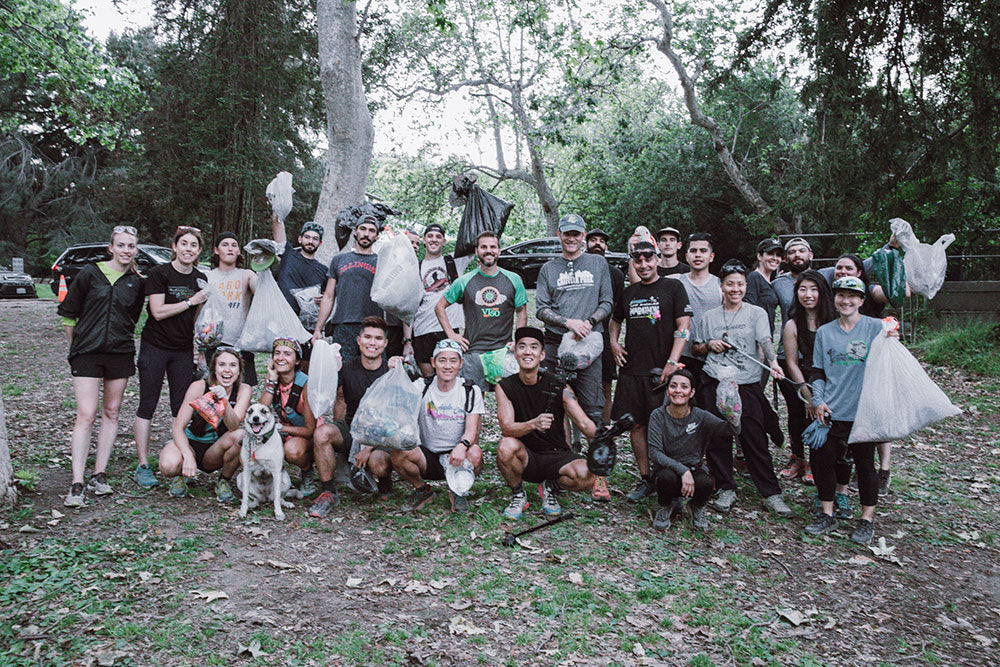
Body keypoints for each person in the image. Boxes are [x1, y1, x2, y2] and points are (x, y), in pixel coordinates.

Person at [805, 276, 900, 544]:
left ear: (861, 300)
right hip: (832, 410)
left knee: (864, 465)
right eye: (840, 295)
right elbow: (818, 371)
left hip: (863, 412)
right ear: (834, 300)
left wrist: (893, 332)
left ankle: (866, 519)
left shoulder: (872, 327)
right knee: (822, 462)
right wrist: (818, 400)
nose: (846, 301)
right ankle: (827, 513)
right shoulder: (825, 332)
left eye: (852, 296)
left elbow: (892, 333)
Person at [694, 260, 793, 517]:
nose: (735, 289)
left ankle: (771, 493)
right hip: (715, 382)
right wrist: (709, 344)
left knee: (754, 438)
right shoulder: (708, 317)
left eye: (740, 284)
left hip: (746, 384)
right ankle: (726, 488)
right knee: (718, 437)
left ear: (745, 286)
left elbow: (764, 340)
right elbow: (697, 347)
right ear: (721, 286)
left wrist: (772, 363)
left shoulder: (755, 313)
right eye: (730, 284)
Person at [58, 226, 146, 506]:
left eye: (131, 246)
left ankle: (100, 474)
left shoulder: (136, 281)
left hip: (119, 352)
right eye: (121, 245)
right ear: (111, 247)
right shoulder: (89, 273)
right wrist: (76, 346)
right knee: (86, 413)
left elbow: (132, 317)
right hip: (87, 351)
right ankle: (77, 481)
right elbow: (69, 313)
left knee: (112, 411)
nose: (126, 250)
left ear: (135, 250)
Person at [609, 241, 691, 503]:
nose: (643, 264)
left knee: (667, 425)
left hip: (662, 371)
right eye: (638, 259)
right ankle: (646, 479)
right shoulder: (629, 293)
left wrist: (672, 362)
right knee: (636, 424)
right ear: (633, 261)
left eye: (648, 259)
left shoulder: (673, 287)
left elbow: (684, 326)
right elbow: (615, 321)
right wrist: (613, 343)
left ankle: (670, 478)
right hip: (633, 370)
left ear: (657, 259)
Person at [495, 327, 599, 519]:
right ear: (515, 352)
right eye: (522, 347)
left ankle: (550, 487)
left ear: (542, 354)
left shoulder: (559, 385)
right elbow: (506, 428)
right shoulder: (504, 386)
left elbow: (583, 423)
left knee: (588, 475)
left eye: (534, 347)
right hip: (526, 456)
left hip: (556, 455)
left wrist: (605, 435)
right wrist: (533, 424)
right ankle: (518, 494)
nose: (528, 352)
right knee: (505, 446)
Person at [133, 226, 208, 489]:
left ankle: (183, 463)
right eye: (183, 244)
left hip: (182, 350)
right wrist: (190, 301)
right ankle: (143, 465)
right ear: (174, 247)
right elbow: (157, 311)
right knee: (148, 404)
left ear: (199, 251)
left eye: (193, 245)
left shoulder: (200, 279)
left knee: (181, 408)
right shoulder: (159, 273)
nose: (188, 249)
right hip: (155, 346)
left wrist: (198, 347)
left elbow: (198, 318)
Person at [309, 317, 395, 517]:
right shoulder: (347, 367)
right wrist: (324, 358)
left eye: (378, 338)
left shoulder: (391, 371)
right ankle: (328, 491)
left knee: (379, 464)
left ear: (385, 343)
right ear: (358, 340)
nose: (372, 343)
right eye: (367, 337)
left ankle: (384, 480)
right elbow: (323, 390)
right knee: (322, 434)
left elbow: (395, 419)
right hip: (353, 428)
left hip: (382, 434)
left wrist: (368, 448)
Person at [535, 213, 613, 426]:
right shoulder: (548, 269)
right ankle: (562, 453)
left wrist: (588, 322)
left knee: (592, 403)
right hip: (555, 340)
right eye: (567, 234)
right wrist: (567, 322)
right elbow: (541, 309)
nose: (571, 239)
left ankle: (595, 454)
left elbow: (607, 302)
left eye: (576, 234)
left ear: (583, 236)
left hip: (589, 341)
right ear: (559, 235)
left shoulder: (597, 263)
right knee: (552, 400)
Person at [390, 339, 485, 513]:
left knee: (476, 453)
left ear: (461, 363)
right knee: (398, 451)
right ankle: (422, 490)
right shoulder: (422, 386)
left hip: (457, 455)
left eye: (453, 360)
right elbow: (398, 404)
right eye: (442, 360)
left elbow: (472, 430)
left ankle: (458, 490)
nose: (447, 366)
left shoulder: (470, 390)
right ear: (433, 363)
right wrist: (394, 371)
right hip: (427, 456)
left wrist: (462, 446)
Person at [831, 253, 893, 494]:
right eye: (839, 268)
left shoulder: (871, 290)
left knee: (877, 413)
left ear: (859, 272)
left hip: (874, 354)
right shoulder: (836, 293)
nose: (843, 271)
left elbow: (895, 295)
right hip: (848, 358)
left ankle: (883, 470)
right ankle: (855, 468)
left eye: (849, 268)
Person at [435, 230, 528, 391]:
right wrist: (451, 334)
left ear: (499, 250)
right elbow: (439, 307)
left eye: (493, 247)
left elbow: (522, 312)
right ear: (477, 251)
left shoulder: (514, 279)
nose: (489, 250)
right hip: (473, 352)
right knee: (473, 404)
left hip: (503, 351)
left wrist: (518, 340)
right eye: (483, 247)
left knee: (507, 404)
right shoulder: (464, 281)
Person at [157, 348, 252, 500]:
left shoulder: (243, 389)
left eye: (233, 365)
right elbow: (178, 428)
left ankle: (223, 481)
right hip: (190, 442)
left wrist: (224, 402)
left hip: (215, 449)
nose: (227, 370)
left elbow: (234, 426)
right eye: (222, 364)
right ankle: (180, 476)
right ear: (214, 368)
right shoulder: (199, 386)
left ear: (239, 370)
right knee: (168, 465)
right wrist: (187, 454)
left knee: (241, 435)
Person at [647, 369, 731, 531]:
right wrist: (683, 471)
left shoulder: (701, 416)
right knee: (666, 478)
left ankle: (696, 506)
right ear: (667, 391)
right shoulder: (657, 415)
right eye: (673, 386)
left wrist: (733, 412)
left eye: (684, 387)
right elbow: (655, 453)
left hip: (694, 469)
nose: (678, 390)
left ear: (691, 392)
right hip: (667, 470)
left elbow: (728, 430)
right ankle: (667, 505)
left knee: (705, 483)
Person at [778, 270, 834, 484]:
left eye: (813, 289)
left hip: (832, 376)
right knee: (798, 411)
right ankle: (798, 457)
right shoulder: (792, 324)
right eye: (803, 289)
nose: (808, 294)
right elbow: (791, 361)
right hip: (803, 375)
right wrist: (806, 392)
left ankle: (818, 461)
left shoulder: (833, 318)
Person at [312, 216, 382, 361]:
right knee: (342, 371)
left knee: (374, 371)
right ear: (355, 231)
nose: (366, 234)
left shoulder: (382, 261)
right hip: (343, 325)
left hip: (373, 326)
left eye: (371, 231)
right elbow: (329, 296)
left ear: (377, 236)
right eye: (362, 229)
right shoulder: (339, 260)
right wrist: (318, 328)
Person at [406, 223, 470, 377]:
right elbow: (408, 308)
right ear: (424, 240)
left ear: (444, 241)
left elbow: (474, 239)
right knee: (428, 382)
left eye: (438, 237)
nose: (434, 240)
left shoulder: (454, 261)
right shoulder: (415, 267)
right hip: (423, 331)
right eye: (430, 236)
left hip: (450, 330)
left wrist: (471, 200)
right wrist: (407, 340)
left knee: (450, 378)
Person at [259, 338, 318, 496]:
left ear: (297, 360)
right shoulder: (274, 380)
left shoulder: (306, 384)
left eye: (287, 354)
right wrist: (271, 381)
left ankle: (307, 473)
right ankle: (274, 480)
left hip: (310, 436)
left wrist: (279, 428)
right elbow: (260, 410)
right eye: (277, 353)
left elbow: (310, 429)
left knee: (292, 450)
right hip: (287, 430)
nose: (280, 358)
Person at [743, 238, 785, 447]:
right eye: (770, 254)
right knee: (751, 398)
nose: (774, 258)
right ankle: (747, 448)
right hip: (755, 347)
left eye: (778, 255)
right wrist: (758, 346)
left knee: (755, 395)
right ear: (759, 256)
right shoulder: (753, 278)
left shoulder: (770, 281)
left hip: (766, 344)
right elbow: (749, 312)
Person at [668, 232, 722, 388]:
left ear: (711, 256)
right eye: (693, 251)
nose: (698, 255)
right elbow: (641, 279)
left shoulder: (721, 286)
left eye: (703, 251)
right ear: (686, 256)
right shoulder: (675, 281)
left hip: (712, 357)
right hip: (681, 356)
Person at [204, 232, 258, 385]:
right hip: (213, 342)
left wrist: (263, 265)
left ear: (239, 251)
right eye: (225, 245)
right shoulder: (207, 276)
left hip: (241, 343)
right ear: (216, 250)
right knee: (214, 391)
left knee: (242, 389)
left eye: (234, 245)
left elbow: (261, 291)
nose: (230, 249)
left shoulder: (246, 275)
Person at [584, 228, 626, 425]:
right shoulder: (578, 269)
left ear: (606, 246)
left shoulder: (615, 274)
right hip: (578, 335)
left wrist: (612, 339)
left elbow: (617, 310)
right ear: (586, 244)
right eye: (593, 240)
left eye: (601, 240)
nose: (598, 244)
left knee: (605, 385)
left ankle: (605, 434)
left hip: (604, 337)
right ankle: (575, 439)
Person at [271, 213, 327, 316]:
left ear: (320, 243)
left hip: (305, 323)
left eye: (315, 239)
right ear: (300, 239)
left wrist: (322, 299)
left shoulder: (324, 270)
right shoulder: (288, 254)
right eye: (307, 237)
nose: (310, 241)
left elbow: (327, 298)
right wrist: (278, 207)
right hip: (280, 316)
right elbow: (277, 225)